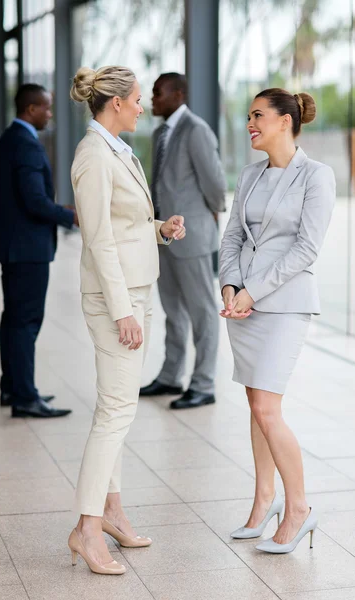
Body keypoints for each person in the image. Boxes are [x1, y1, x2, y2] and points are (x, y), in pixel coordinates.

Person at [67, 65, 186, 575]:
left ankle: (111, 512)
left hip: (137, 291)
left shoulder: (116, 149)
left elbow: (123, 223)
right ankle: (87, 529)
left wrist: (160, 228)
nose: (143, 105)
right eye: (138, 98)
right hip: (118, 300)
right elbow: (96, 239)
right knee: (116, 412)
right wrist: (122, 312)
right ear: (115, 102)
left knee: (116, 411)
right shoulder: (93, 155)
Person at [219, 88, 335, 554]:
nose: (250, 124)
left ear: (286, 121)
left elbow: (306, 249)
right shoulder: (249, 174)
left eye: (258, 116)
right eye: (249, 116)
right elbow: (231, 238)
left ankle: (299, 508)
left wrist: (252, 290)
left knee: (267, 408)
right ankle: (264, 499)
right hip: (241, 306)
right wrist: (229, 286)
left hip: (283, 304)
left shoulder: (316, 176)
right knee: (257, 406)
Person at [140, 73, 227, 410]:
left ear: (178, 94)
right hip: (163, 237)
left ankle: (203, 384)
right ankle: (170, 376)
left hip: (192, 237)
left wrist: (211, 214)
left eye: (158, 93)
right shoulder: (161, 132)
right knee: (172, 311)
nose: (152, 100)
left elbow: (216, 183)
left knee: (202, 312)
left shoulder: (196, 130)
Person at [0, 83, 77, 419]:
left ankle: (13, 386)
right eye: (46, 107)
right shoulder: (26, 144)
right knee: (25, 322)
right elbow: (34, 202)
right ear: (31, 109)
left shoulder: (10, 139)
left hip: (15, 246)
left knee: (12, 320)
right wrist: (71, 216)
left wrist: (60, 210)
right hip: (27, 250)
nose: (50, 113)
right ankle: (25, 397)